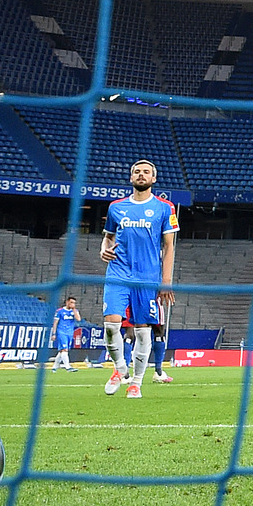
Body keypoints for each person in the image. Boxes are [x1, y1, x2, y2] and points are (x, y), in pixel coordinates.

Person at [101, 159, 177, 400]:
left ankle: (136, 382)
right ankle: (120, 368)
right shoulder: (116, 207)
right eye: (136, 171)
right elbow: (108, 238)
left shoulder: (165, 208)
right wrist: (103, 248)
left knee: (143, 330)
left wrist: (166, 281)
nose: (141, 175)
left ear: (153, 179)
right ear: (131, 177)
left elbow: (169, 246)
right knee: (111, 323)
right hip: (118, 272)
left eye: (146, 172)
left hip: (148, 277)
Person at [50, 295, 82, 371]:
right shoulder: (60, 311)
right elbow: (55, 323)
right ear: (67, 302)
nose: (72, 304)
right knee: (65, 349)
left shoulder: (75, 311)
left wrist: (74, 309)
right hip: (61, 332)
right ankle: (68, 367)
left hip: (70, 333)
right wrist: (54, 334)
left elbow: (78, 319)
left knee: (62, 351)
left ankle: (54, 367)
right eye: (71, 302)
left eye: (74, 303)